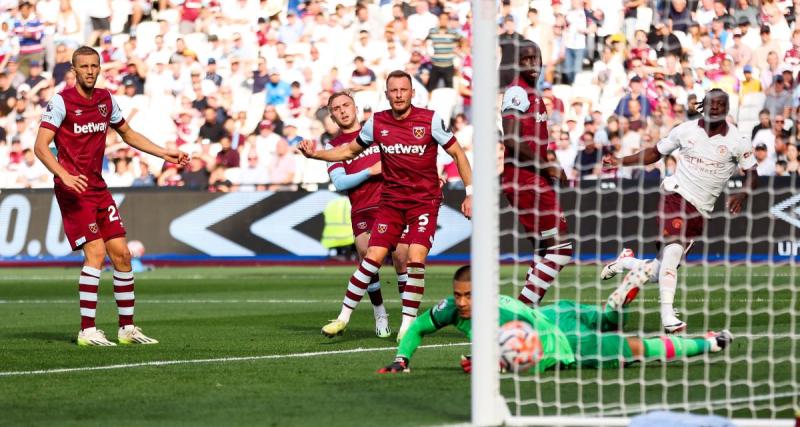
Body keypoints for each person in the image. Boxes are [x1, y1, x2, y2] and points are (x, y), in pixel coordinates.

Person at [298, 70, 473, 342]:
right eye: (394, 90)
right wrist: (315, 154)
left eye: (404, 90)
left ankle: (406, 325)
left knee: (412, 258)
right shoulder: (376, 125)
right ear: (387, 94)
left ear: (412, 92)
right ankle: (350, 317)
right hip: (385, 204)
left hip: (421, 202)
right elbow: (346, 155)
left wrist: (468, 191)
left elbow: (453, 153)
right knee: (371, 259)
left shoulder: (428, 120)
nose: (399, 95)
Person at [33, 46, 189, 346]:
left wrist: (164, 153)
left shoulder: (106, 100)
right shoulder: (61, 101)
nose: (90, 71)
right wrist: (63, 175)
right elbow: (40, 147)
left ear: (100, 67)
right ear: (74, 70)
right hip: (73, 188)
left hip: (98, 187)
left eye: (94, 66)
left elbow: (128, 134)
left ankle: (127, 329)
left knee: (122, 254)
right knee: (96, 254)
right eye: (84, 66)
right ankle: (87, 330)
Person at [378, 265, 733, 373]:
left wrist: (496, 361)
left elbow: (528, 349)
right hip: (556, 314)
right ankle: (618, 298)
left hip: (561, 340)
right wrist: (401, 358)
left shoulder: (501, 317)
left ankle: (709, 342)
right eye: (458, 295)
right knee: (611, 323)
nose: (462, 302)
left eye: (469, 295)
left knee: (637, 348)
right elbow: (418, 328)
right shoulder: (452, 308)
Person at [602, 89, 758, 333]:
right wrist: (622, 160)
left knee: (660, 269)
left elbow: (752, 175)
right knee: (673, 251)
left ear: (727, 109)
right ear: (702, 107)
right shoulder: (685, 130)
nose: (715, 107)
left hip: (700, 211)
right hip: (675, 196)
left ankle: (627, 262)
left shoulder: (738, 141)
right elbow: (654, 153)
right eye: (711, 103)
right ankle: (668, 317)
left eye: (721, 104)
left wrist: (743, 193)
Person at [322, 91, 412, 338]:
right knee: (368, 262)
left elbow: (401, 159)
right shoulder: (332, 147)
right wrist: (370, 172)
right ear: (332, 115)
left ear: (355, 107)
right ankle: (379, 312)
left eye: (346, 105)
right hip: (362, 208)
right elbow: (339, 182)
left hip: (391, 203)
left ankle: (407, 319)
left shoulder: (377, 133)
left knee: (401, 258)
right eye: (337, 108)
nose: (342, 110)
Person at [500, 40, 573, 307]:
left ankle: (524, 310)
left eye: (536, 58)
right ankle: (521, 314)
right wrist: (548, 166)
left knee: (543, 250)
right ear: (518, 63)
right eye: (526, 59)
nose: (532, 64)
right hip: (526, 181)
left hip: (533, 179)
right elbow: (510, 139)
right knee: (561, 250)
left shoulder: (533, 93)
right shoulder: (517, 92)